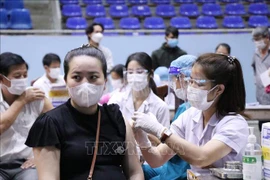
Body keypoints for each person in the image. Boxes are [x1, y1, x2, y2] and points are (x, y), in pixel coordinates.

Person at [25, 46, 144, 180]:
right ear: (66, 82)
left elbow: (135, 172)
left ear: (105, 82)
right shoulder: (49, 124)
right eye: (77, 77)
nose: (85, 84)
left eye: (93, 77)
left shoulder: (116, 118)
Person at [132, 53, 249, 173]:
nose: (191, 87)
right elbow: (157, 159)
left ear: (218, 89)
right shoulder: (190, 116)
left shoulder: (234, 124)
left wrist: (160, 131)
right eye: (191, 80)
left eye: (198, 83)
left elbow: (202, 158)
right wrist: (143, 140)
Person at [142, 55, 197, 180]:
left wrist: (153, 132)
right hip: (170, 165)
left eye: (175, 78)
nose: (173, 83)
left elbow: (170, 147)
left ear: (186, 78)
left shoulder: (187, 109)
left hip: (179, 171)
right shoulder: (186, 107)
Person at [0, 52, 53, 180]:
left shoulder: (36, 97)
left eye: (25, 75)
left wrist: (40, 157)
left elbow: (57, 127)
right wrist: (22, 101)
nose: (23, 80)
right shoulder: (26, 97)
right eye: (17, 76)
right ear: (2, 79)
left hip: (27, 165)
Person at [108, 52, 170, 129]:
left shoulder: (160, 107)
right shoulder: (116, 100)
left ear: (151, 74)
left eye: (139, 72)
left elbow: (165, 139)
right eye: (130, 72)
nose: (134, 76)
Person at [251, 27, 270, 131]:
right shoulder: (256, 53)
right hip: (261, 97)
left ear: (267, 37)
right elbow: (254, 68)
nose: (256, 42)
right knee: (263, 129)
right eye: (254, 39)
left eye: (258, 39)